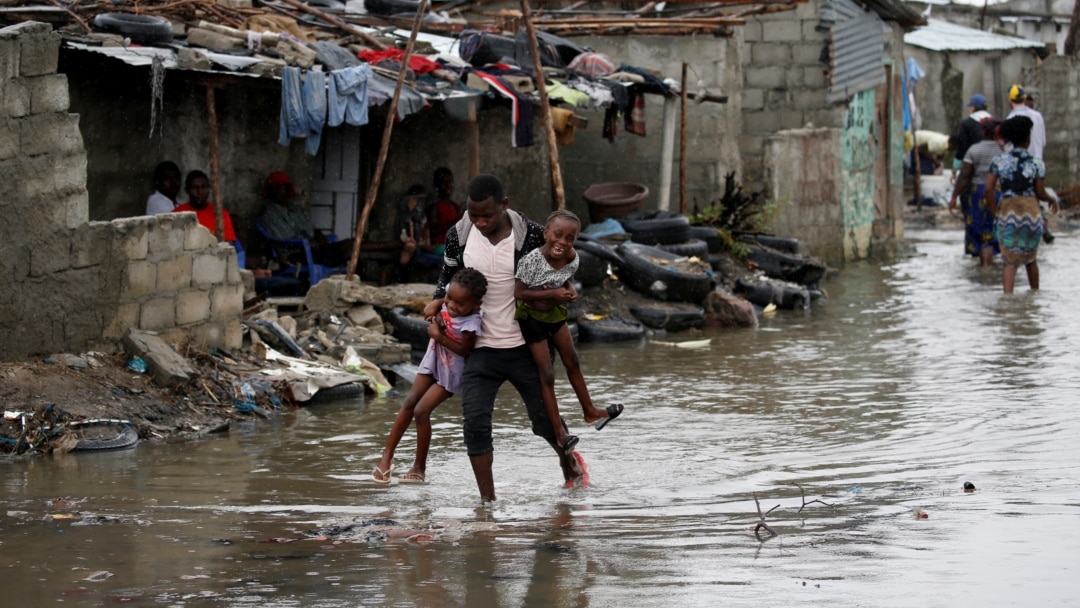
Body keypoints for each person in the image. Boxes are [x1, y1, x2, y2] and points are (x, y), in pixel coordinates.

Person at [422, 174, 588, 502]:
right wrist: (438, 296)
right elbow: (448, 271)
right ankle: (488, 504)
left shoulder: (532, 235)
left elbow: (562, 266)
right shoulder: (459, 233)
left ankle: (571, 467)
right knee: (475, 426)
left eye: (487, 215)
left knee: (543, 423)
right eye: (474, 215)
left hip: (525, 345)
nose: (480, 222)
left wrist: (560, 295)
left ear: (504, 206)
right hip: (480, 348)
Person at [514, 209, 623, 454]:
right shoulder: (532, 260)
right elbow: (519, 293)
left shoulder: (572, 258)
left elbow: (563, 277)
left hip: (555, 314)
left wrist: (569, 289)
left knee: (573, 360)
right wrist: (553, 293)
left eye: (570, 238)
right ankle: (560, 433)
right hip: (532, 318)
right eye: (558, 235)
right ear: (546, 233)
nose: (562, 242)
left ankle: (590, 411)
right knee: (548, 374)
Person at [372, 268, 488, 485]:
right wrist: (436, 310)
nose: (452, 306)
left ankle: (419, 467)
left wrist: (438, 335)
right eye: (450, 299)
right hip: (434, 356)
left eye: (460, 304)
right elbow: (432, 307)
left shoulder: (471, 324)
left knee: (421, 411)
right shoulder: (450, 295)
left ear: (476, 305)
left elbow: (465, 351)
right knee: (409, 402)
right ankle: (386, 456)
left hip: (452, 369)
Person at [985, 115, 1058, 293]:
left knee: (1010, 262)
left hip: (1008, 212)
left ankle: (1008, 306)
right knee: (1031, 259)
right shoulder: (1036, 163)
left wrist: (995, 212)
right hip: (1031, 212)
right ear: (1028, 138)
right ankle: (1035, 300)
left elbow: (988, 189)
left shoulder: (999, 161)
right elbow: (1040, 193)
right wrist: (1052, 199)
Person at [257, 171, 353, 267]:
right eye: (277, 188)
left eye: (284, 187)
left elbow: (311, 228)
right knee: (345, 249)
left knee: (349, 245)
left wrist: (318, 235)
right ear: (271, 191)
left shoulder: (297, 210)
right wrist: (309, 242)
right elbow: (287, 239)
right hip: (295, 255)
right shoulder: (270, 214)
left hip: (314, 250)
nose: (281, 191)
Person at [948, 116, 1004, 266]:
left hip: (977, 193)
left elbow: (965, 176)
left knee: (978, 231)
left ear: (983, 132)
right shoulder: (1003, 150)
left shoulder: (974, 149)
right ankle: (990, 268)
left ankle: (983, 269)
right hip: (997, 193)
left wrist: (954, 196)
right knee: (993, 230)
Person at [172, 170, 238, 246]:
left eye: (203, 187)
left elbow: (228, 246)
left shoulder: (222, 215)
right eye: (194, 188)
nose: (199, 192)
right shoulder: (176, 215)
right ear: (187, 190)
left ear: (209, 188)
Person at [951, 94, 991, 182]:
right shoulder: (993, 122)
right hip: (991, 167)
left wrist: (955, 168)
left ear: (974, 107)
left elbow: (962, 147)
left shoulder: (967, 124)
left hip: (973, 166)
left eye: (970, 106)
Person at [427, 167, 464, 256]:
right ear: (437, 186)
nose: (448, 186)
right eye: (444, 183)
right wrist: (455, 222)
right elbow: (432, 231)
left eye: (450, 182)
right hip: (440, 246)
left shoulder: (455, 206)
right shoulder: (435, 206)